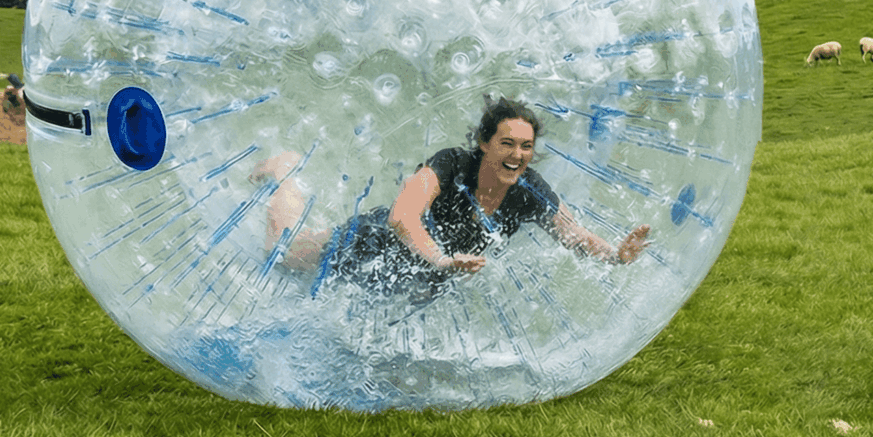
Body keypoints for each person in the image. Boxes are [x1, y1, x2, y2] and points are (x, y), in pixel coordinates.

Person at [251, 96, 651, 297]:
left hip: (420, 273)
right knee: (284, 255)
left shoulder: (528, 191)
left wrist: (616, 254)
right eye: (507, 144)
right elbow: (402, 216)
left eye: (526, 146)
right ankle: (284, 172)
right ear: (485, 142)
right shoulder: (452, 165)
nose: (517, 155)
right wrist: (441, 259)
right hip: (371, 244)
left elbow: (574, 235)